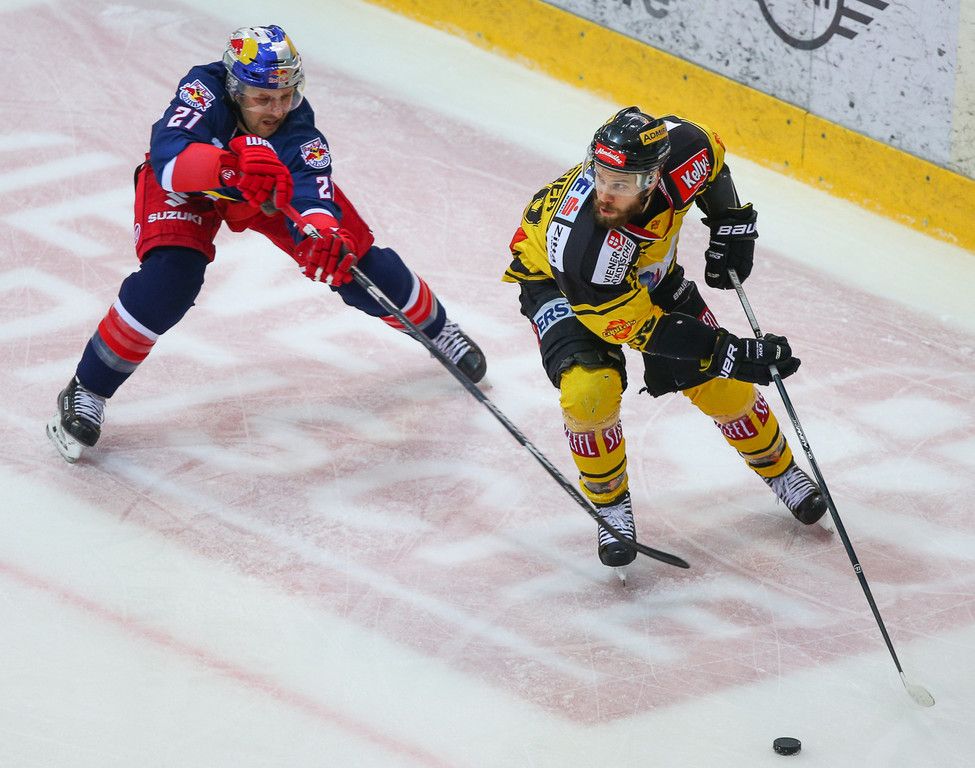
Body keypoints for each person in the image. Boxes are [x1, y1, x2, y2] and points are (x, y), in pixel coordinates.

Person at [47, 24, 486, 463]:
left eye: (285, 96)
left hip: (265, 194)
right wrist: (230, 168)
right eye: (262, 98)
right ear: (235, 88)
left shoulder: (300, 133)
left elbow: (314, 196)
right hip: (194, 186)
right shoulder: (203, 90)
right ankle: (88, 389)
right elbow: (168, 159)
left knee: (358, 265)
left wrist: (323, 234)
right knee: (169, 281)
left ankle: (438, 331)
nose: (276, 109)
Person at [503, 106, 827, 573]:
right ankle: (610, 504)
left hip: (648, 275)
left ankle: (782, 472)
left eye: (623, 183)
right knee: (590, 390)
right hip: (564, 284)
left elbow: (712, 161)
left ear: (654, 177)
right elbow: (643, 329)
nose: (607, 194)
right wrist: (728, 351)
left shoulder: (684, 149)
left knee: (722, 386)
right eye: (601, 176)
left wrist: (731, 223)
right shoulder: (587, 243)